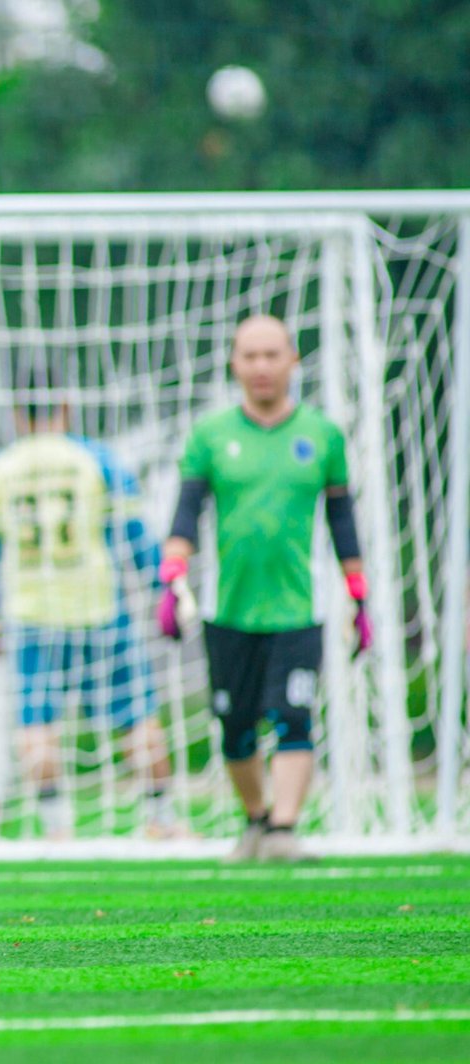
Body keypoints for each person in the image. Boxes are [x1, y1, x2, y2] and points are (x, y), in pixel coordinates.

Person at [159, 314, 369, 862]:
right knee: (235, 726)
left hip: (301, 605)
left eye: (271, 355)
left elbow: (342, 517)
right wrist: (171, 576)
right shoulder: (211, 436)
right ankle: (255, 818)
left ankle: (283, 830)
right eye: (249, 356)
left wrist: (358, 590)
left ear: (292, 360)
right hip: (228, 607)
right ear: (234, 363)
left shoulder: (321, 435)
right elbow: (186, 513)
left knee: (295, 715)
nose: (261, 367)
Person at [0, 398, 177, 839]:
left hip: (30, 614)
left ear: (16, 414)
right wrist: (164, 589)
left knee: (37, 721)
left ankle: (55, 827)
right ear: (64, 407)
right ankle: (162, 819)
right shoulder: (97, 460)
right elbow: (136, 535)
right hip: (99, 607)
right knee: (137, 713)